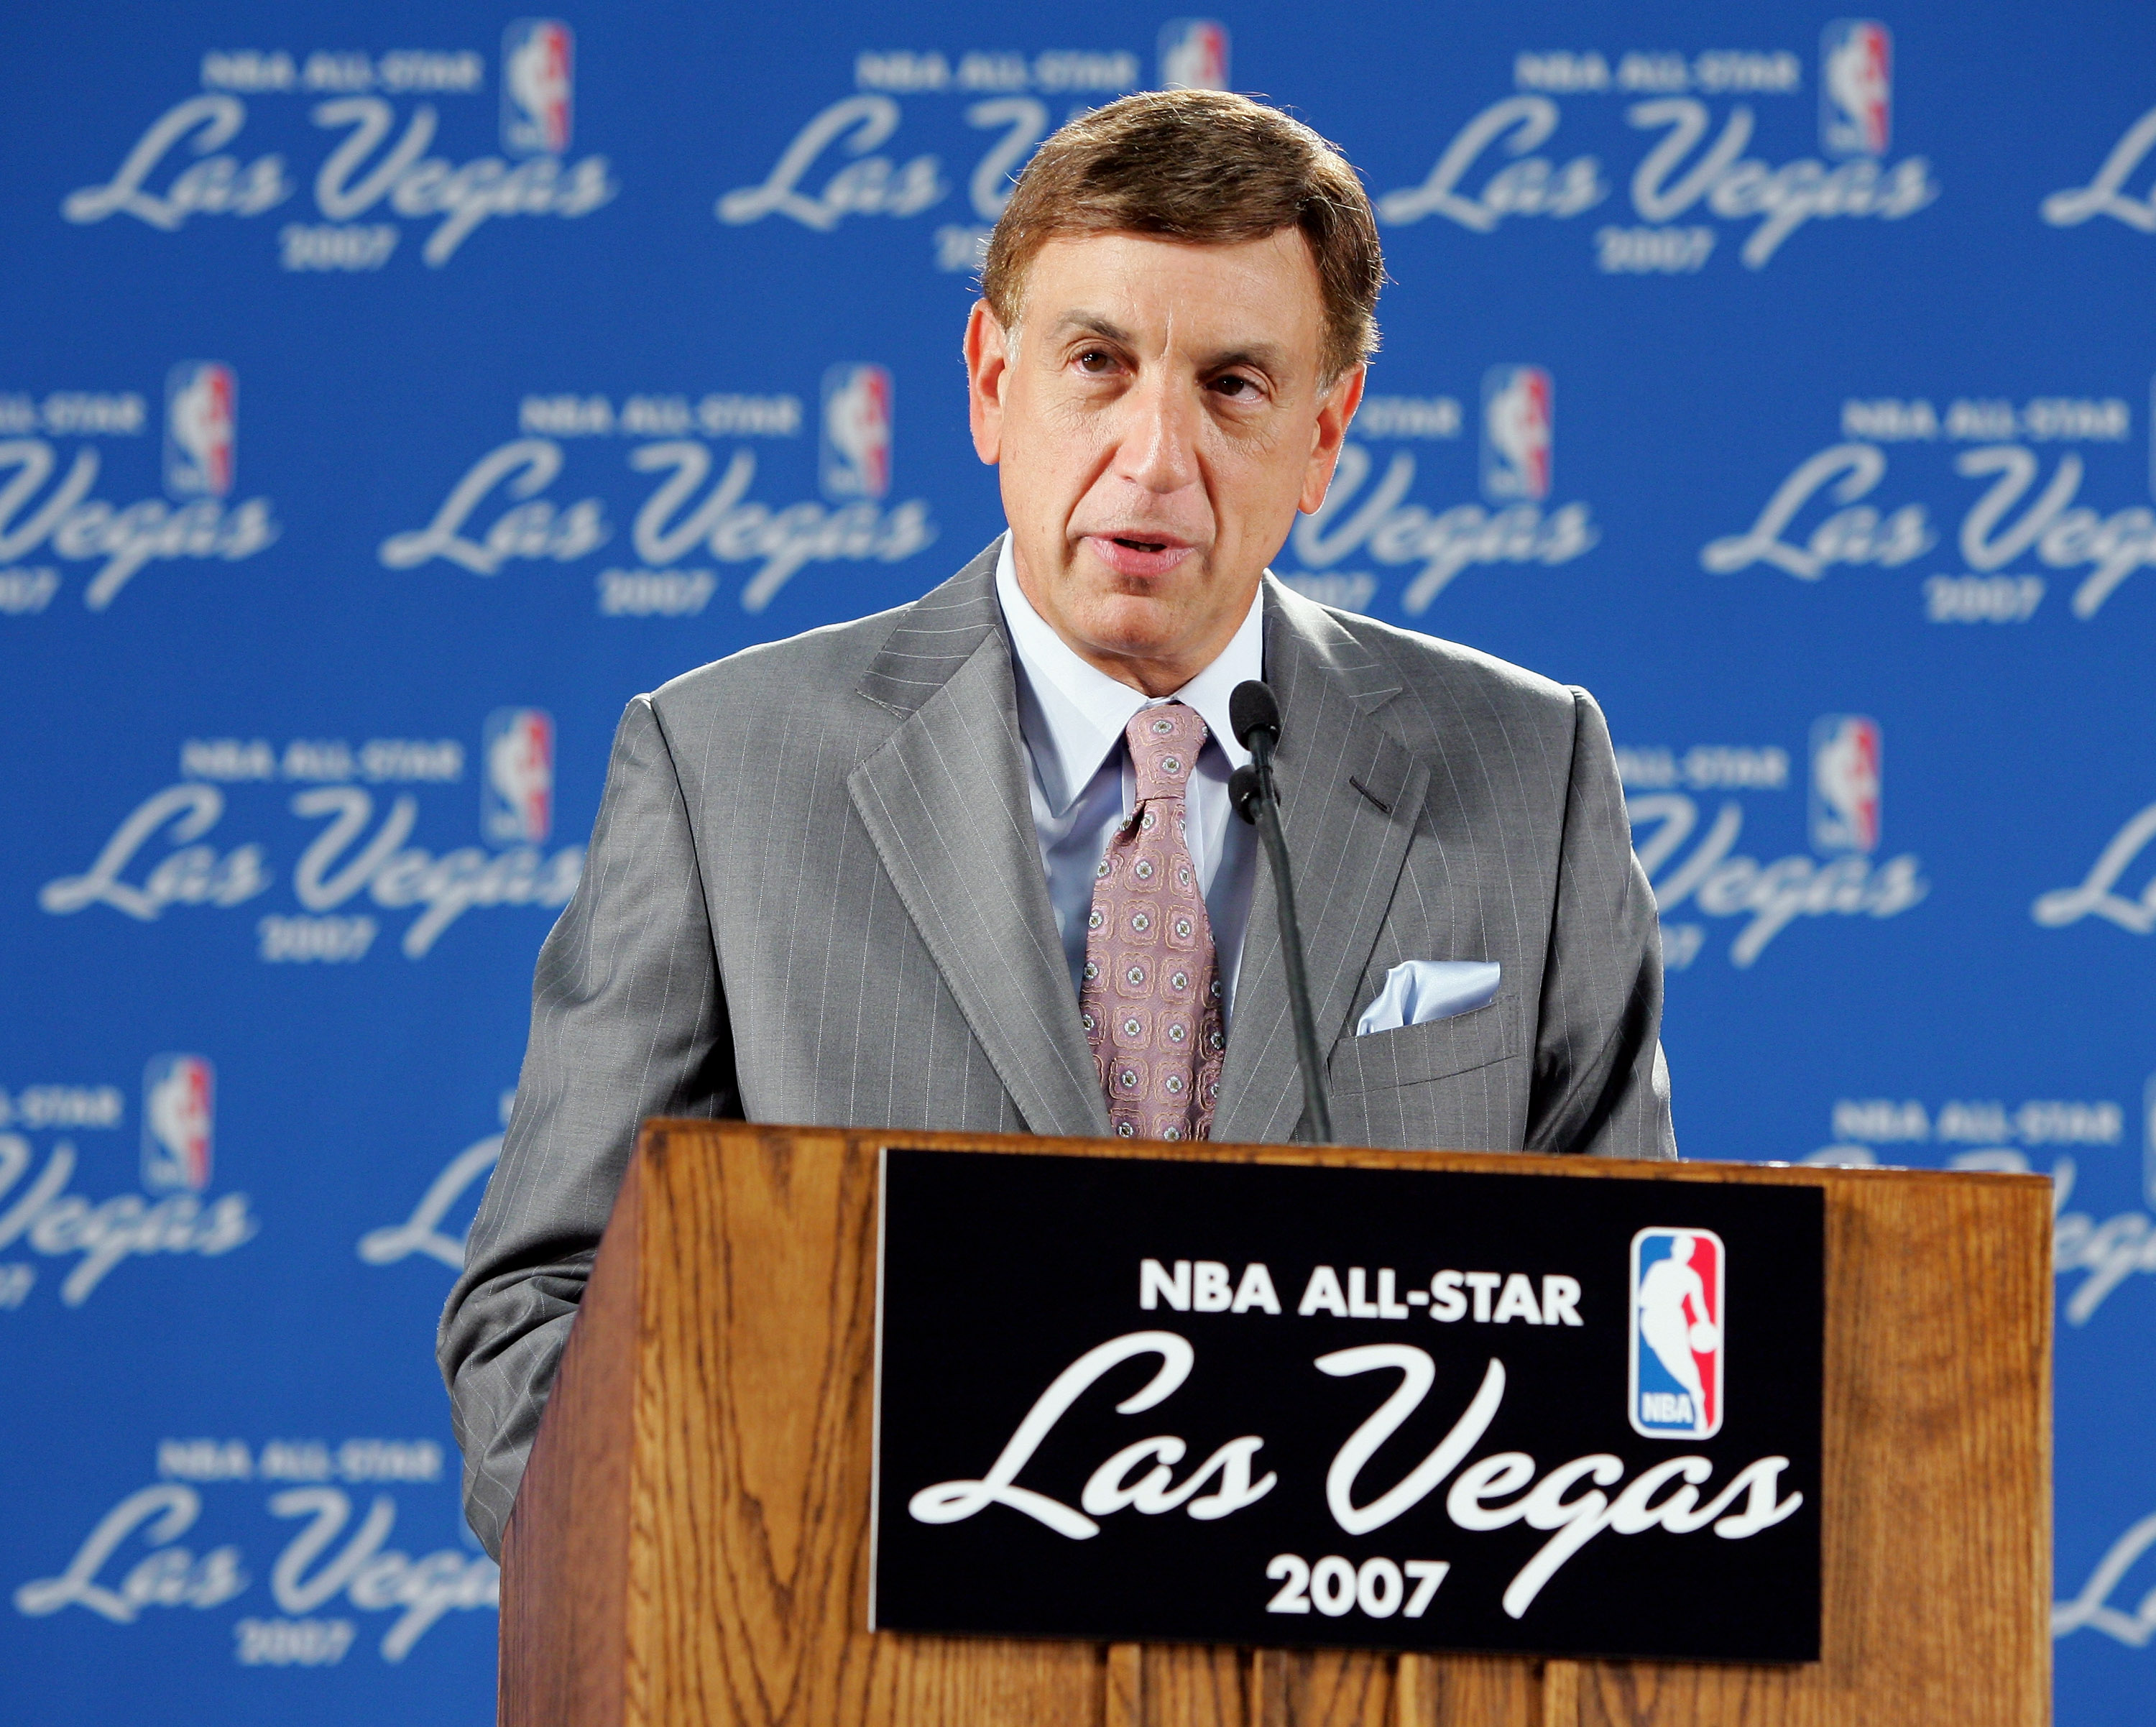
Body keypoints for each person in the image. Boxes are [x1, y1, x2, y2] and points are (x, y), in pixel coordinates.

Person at [439, 89, 1677, 1559]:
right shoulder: (725, 770)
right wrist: (728, 1612)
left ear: (1326, 434)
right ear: (988, 382)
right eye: (1097, 363)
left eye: (1232, 385)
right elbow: (542, 1313)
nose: (1153, 458)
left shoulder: (1529, 774)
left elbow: (1638, 1330)